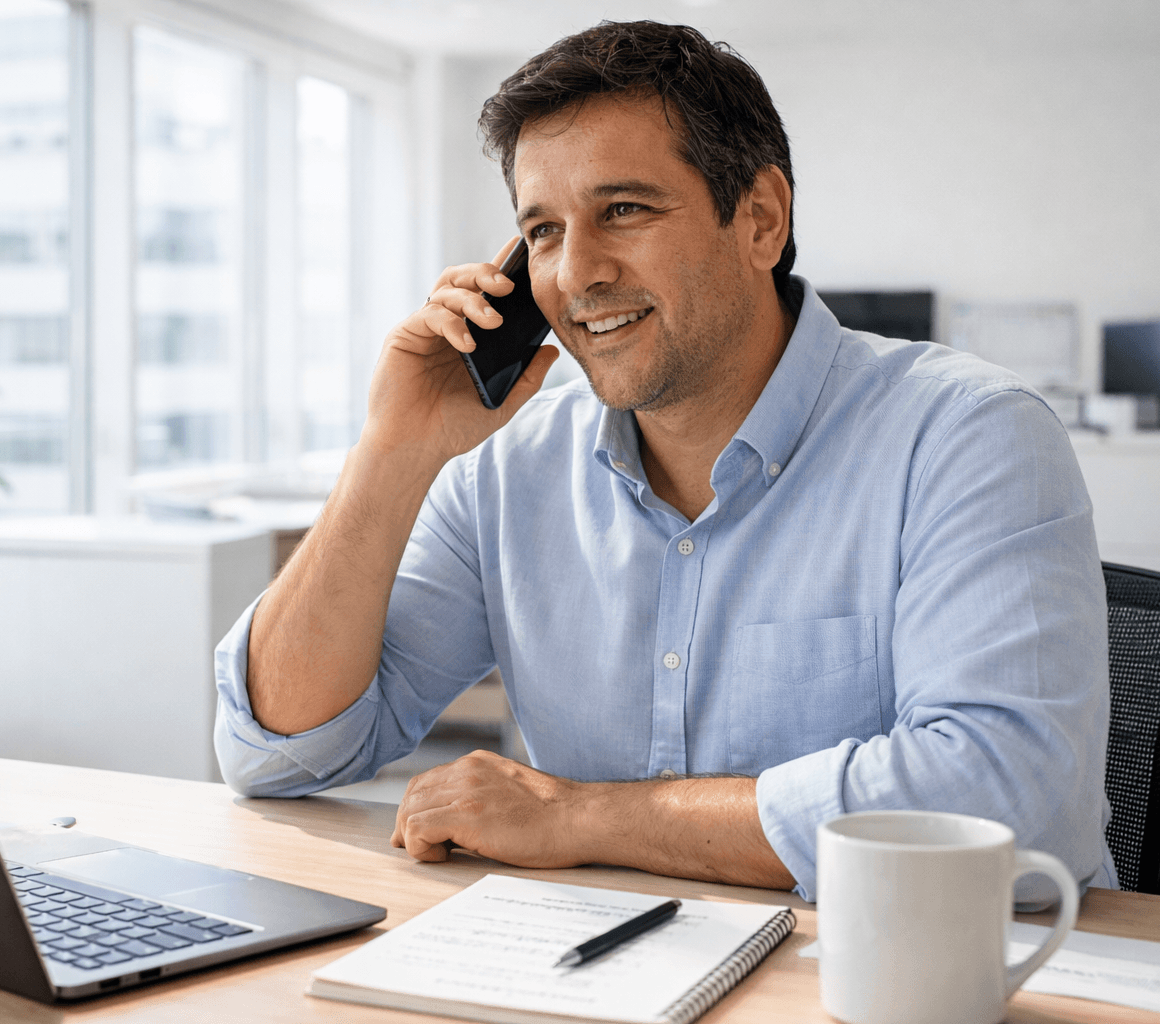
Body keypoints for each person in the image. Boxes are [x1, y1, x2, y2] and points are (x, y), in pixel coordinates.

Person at [212, 20, 1113, 902]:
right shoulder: (509, 466)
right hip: (606, 969)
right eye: (544, 231)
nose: (575, 275)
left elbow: (1008, 799)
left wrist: (583, 818)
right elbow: (278, 751)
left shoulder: (969, 435)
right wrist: (392, 452)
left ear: (760, 218)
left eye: (624, 211)